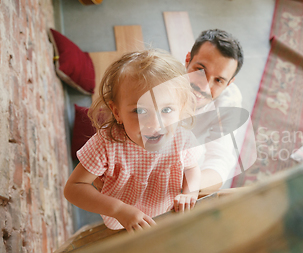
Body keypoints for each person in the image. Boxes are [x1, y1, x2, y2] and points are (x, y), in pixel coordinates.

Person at [64, 50, 201, 232]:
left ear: (181, 108)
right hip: (120, 221)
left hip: (165, 215)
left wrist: (190, 192)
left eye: (166, 110)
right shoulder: (106, 143)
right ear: (117, 112)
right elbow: (73, 188)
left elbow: (192, 167)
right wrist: (119, 210)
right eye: (140, 111)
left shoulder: (182, 138)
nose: (155, 124)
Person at [184, 29, 245, 192]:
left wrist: (189, 188)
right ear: (187, 60)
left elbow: (219, 161)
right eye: (200, 71)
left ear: (229, 84)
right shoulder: (159, 80)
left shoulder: (229, 104)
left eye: (218, 80)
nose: (204, 86)